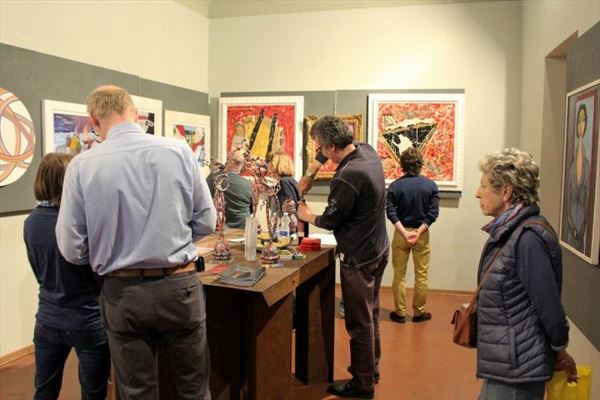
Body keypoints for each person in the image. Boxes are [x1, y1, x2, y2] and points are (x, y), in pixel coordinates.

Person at [56, 85, 216, 400]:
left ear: (94, 121)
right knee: (195, 389)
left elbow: (72, 248)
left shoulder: (82, 165)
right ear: (136, 114)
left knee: (136, 392)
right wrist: (174, 242)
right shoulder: (178, 151)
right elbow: (206, 222)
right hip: (178, 285)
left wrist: (110, 250)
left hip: (122, 291)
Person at [297, 116, 389, 399]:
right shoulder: (367, 151)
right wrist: (312, 172)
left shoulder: (347, 176)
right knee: (371, 313)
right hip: (378, 247)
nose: (319, 152)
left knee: (358, 322)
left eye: (320, 147)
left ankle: (363, 384)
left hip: (359, 257)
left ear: (330, 146)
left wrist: (307, 215)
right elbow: (325, 154)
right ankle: (371, 370)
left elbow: (331, 219)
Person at [475, 148, 577, 400]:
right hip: (507, 363)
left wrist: (559, 349)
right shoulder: (510, 233)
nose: (478, 193)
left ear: (506, 191)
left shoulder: (527, 239)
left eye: (484, 186)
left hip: (518, 370)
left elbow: (549, 306)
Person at [23, 152, 110, 400]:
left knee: (44, 391)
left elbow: (38, 271)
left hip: (48, 317)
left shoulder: (31, 222)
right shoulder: (80, 223)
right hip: (87, 318)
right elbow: (98, 273)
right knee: (93, 392)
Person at [386, 147, 439, 323]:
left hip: (401, 234)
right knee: (421, 276)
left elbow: (390, 212)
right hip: (421, 235)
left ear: (402, 164)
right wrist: (418, 232)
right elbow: (433, 213)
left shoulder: (395, 186)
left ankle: (400, 313)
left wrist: (404, 232)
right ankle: (418, 313)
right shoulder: (430, 185)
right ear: (420, 163)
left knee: (399, 275)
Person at [206, 148, 253, 229]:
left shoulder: (214, 179)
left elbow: (204, 199)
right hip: (242, 229)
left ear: (231, 162)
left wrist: (213, 172)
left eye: (227, 160)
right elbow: (252, 208)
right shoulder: (248, 184)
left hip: (221, 230)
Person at [565, 103, 590, 252]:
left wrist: (580, 229)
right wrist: (571, 225)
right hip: (570, 230)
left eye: (584, 120)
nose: (581, 125)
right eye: (579, 121)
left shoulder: (587, 164)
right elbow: (569, 198)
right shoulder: (572, 166)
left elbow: (585, 201)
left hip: (581, 231)